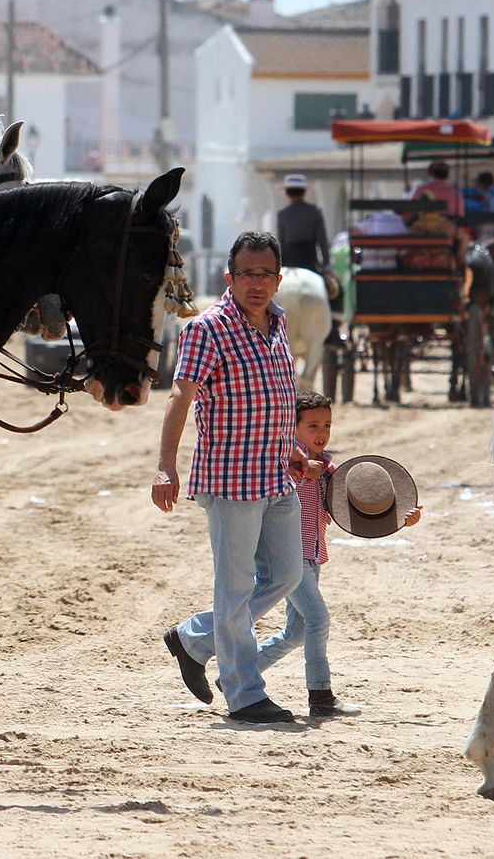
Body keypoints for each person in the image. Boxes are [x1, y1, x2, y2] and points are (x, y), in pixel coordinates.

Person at [153, 231, 306, 725]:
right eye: (246, 274)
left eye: (265, 274)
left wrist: (294, 450)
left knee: (287, 575)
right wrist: (165, 465)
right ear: (230, 278)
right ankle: (244, 695)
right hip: (231, 479)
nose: (256, 283)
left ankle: (195, 638)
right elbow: (180, 397)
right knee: (235, 589)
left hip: (277, 475)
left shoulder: (279, 325)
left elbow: (277, 396)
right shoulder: (207, 329)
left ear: (278, 280)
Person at [256, 391, 421, 717]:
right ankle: (321, 697)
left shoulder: (330, 470)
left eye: (327, 426)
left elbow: (358, 506)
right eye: (313, 426)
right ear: (292, 428)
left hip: (312, 556)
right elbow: (273, 485)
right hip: (289, 556)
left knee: (298, 631)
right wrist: (301, 469)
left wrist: (402, 516)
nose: (321, 433)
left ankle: (238, 673)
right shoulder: (285, 462)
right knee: (318, 620)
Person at [276, 173, 345, 346]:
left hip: (288, 261)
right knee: (337, 291)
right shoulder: (314, 212)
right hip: (310, 261)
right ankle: (333, 331)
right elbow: (322, 240)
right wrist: (327, 265)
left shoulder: (282, 214)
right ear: (304, 192)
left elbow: (280, 243)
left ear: (287, 193)